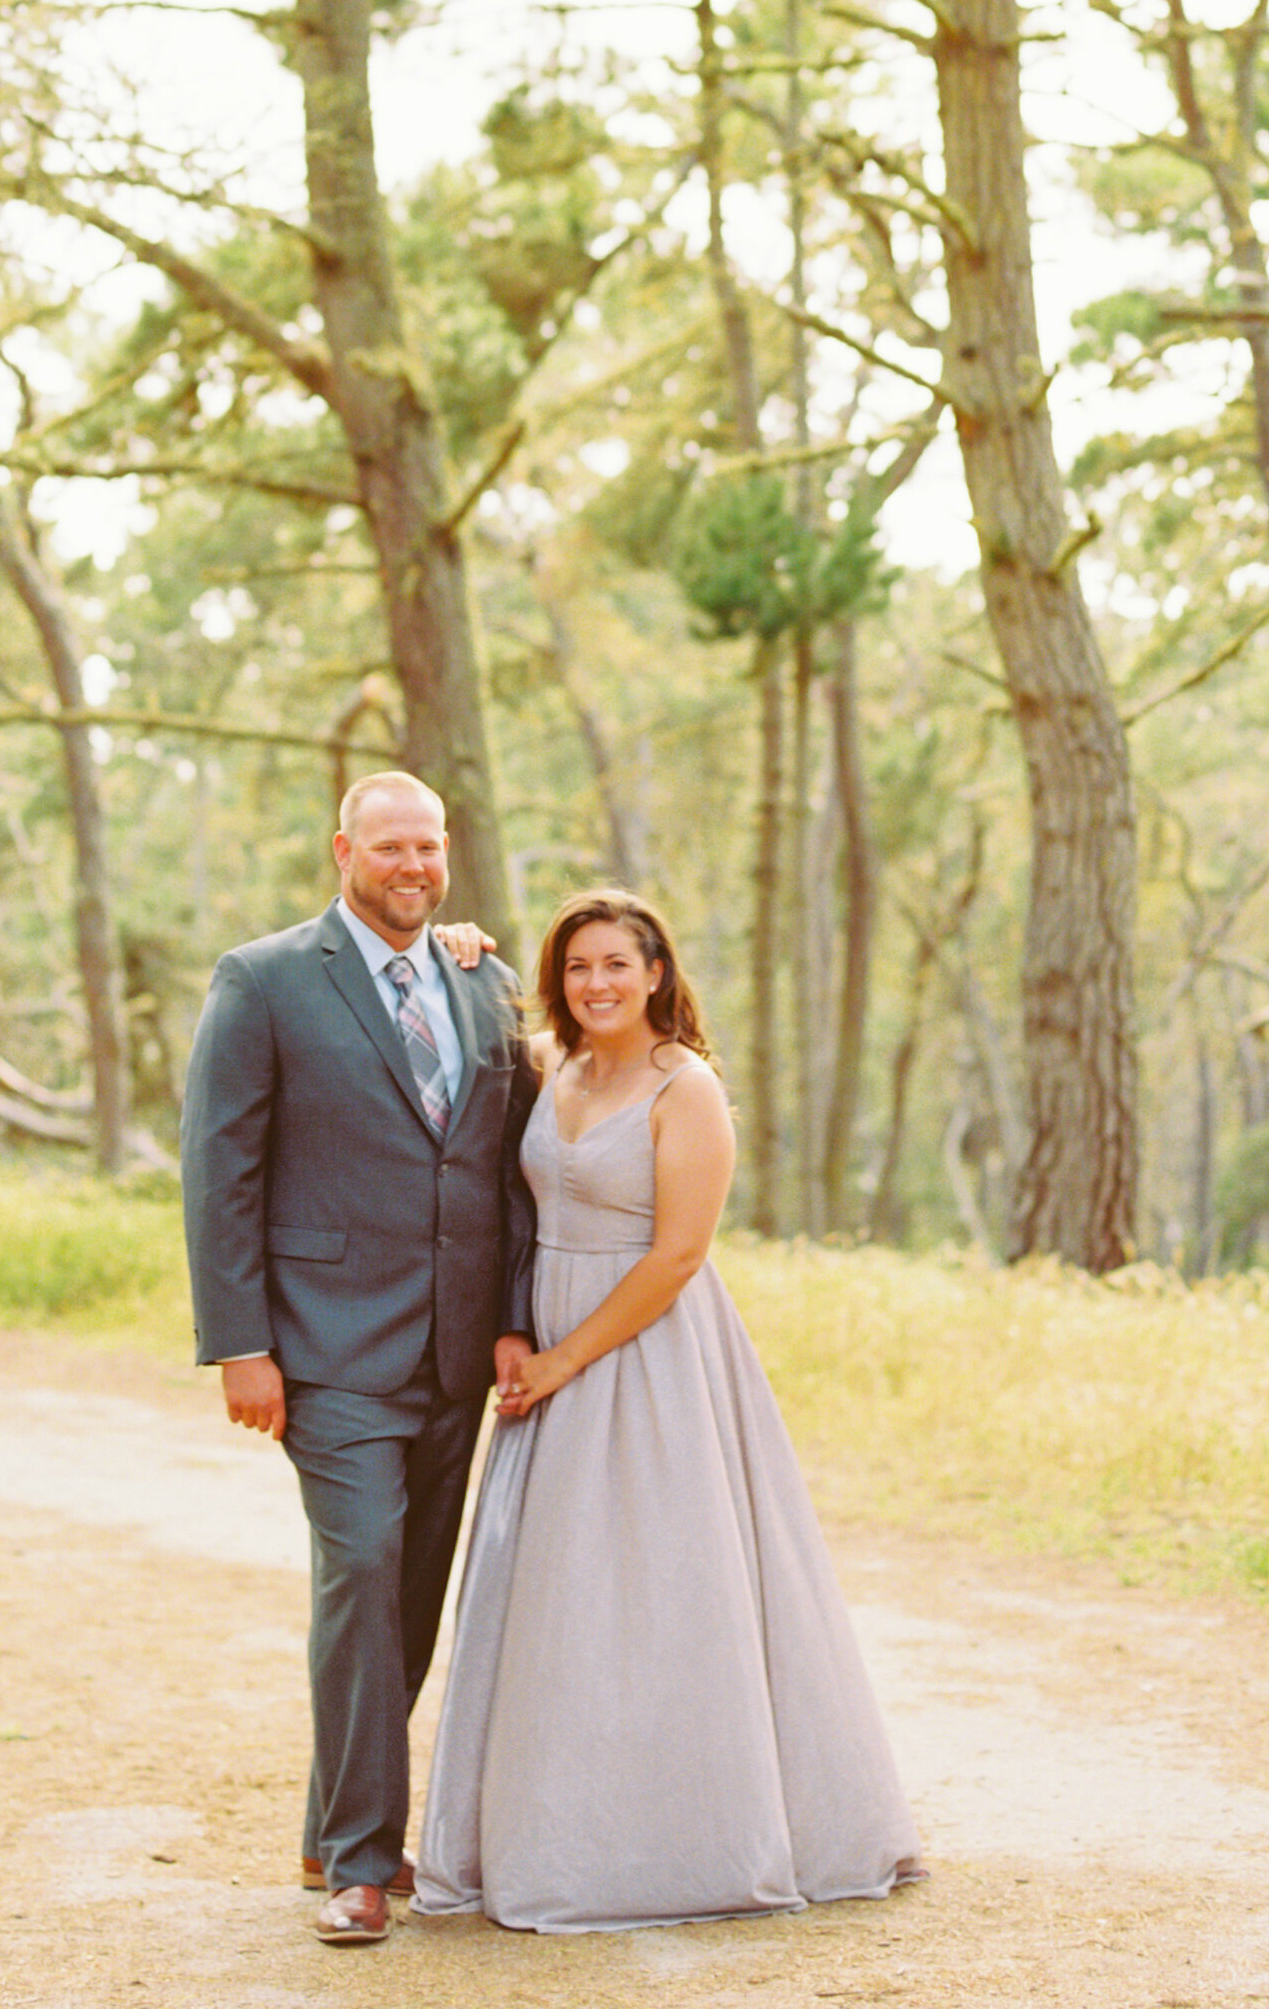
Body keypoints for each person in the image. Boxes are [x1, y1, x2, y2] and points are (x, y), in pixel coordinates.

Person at [415, 890, 921, 1934]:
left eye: (616, 965)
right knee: (558, 1600)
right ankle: (548, 1828)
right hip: (546, 1345)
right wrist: (517, 1333)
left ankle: (678, 1841)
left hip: (646, 1356)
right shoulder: (554, 1067)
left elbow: (678, 1257)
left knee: (658, 1591)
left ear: (656, 975)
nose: (595, 984)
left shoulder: (682, 1087)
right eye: (576, 967)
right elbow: (521, 1213)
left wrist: (564, 1360)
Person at [178, 770, 540, 1950]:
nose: (412, 868)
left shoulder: (483, 982)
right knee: (363, 1571)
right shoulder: (264, 979)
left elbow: (501, 1169)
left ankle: (329, 1822)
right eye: (389, 847)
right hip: (325, 1352)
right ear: (342, 849)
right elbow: (218, 1168)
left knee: (412, 1597)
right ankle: (362, 1864)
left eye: (429, 848)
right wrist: (240, 1343)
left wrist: (514, 1317)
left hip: (452, 1353)